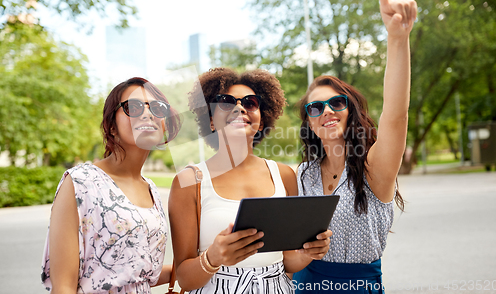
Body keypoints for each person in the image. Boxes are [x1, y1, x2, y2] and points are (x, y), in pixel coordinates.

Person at [292, 0, 417, 293]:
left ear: (352, 111)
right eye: (315, 108)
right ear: (309, 123)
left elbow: (395, 115)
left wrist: (397, 40)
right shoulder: (302, 176)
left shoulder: (374, 168)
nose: (326, 111)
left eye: (336, 102)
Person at [168, 68, 333, 293]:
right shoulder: (189, 181)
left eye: (250, 102)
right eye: (226, 102)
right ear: (211, 122)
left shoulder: (284, 175)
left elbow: (287, 263)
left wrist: (308, 253)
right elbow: (185, 280)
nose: (239, 108)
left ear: (262, 121)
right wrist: (213, 258)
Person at [41, 77, 182, 293]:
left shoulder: (151, 188)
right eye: (133, 107)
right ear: (111, 127)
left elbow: (139, 273)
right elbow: (64, 287)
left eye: (157, 107)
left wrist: (206, 263)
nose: (148, 113)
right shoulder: (80, 182)